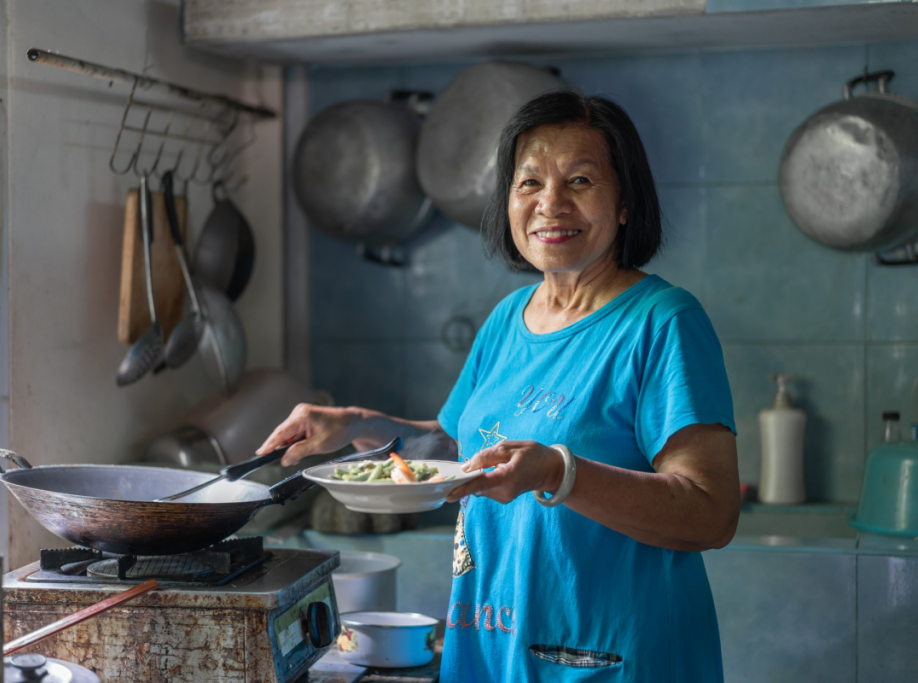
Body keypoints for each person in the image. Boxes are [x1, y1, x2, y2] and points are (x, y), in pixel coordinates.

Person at [258, 89, 740, 682]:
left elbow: (711, 514)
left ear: (624, 204)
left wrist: (559, 472)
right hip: (491, 654)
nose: (550, 204)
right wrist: (362, 426)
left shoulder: (662, 322)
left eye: (581, 181)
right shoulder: (508, 318)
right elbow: (467, 456)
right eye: (529, 183)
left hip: (609, 658)